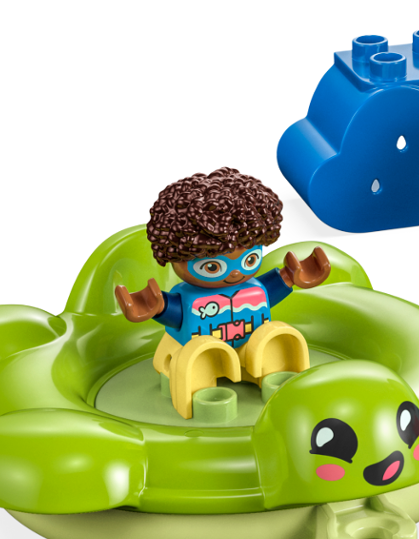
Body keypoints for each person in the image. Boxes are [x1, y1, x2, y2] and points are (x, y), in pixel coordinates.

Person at [115, 167, 331, 416]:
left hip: (253, 343)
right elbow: (173, 311)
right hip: (200, 351)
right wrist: (157, 307)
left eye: (249, 259)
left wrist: (292, 276)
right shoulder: (189, 299)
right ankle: (198, 397)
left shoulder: (254, 290)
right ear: (176, 257)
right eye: (212, 267)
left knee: (274, 337)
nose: (235, 273)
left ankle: (275, 376)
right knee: (196, 358)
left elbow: (270, 291)